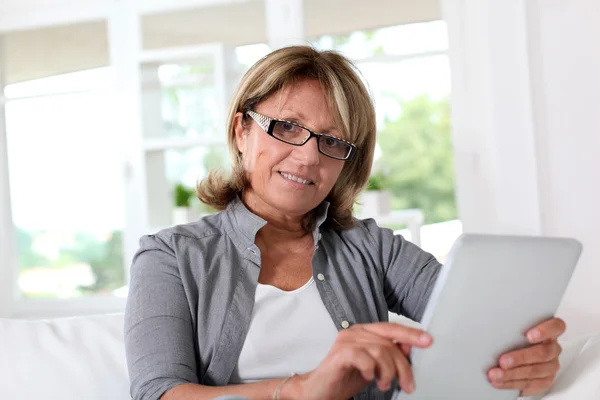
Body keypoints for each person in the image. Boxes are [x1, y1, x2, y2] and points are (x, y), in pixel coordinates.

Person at [125, 46, 565, 400]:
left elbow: (475, 322)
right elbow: (158, 392)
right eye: (287, 127)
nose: (309, 155)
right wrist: (302, 390)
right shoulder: (170, 256)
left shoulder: (371, 247)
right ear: (242, 131)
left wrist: (528, 364)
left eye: (332, 140)